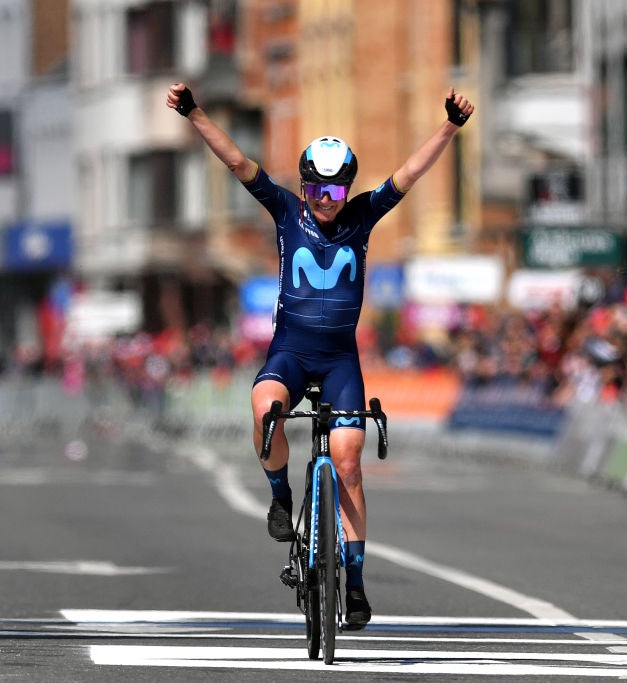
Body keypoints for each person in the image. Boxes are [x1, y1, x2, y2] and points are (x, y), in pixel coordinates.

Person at [166, 81, 474, 629]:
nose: (325, 200)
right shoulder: (286, 211)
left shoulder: (363, 216)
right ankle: (281, 497)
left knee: (349, 463)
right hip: (290, 351)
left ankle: (353, 584)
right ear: (304, 186)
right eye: (316, 189)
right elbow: (236, 161)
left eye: (335, 190)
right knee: (265, 410)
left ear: (347, 188)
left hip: (339, 362)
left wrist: (449, 127)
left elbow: (409, 172)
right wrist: (194, 113)